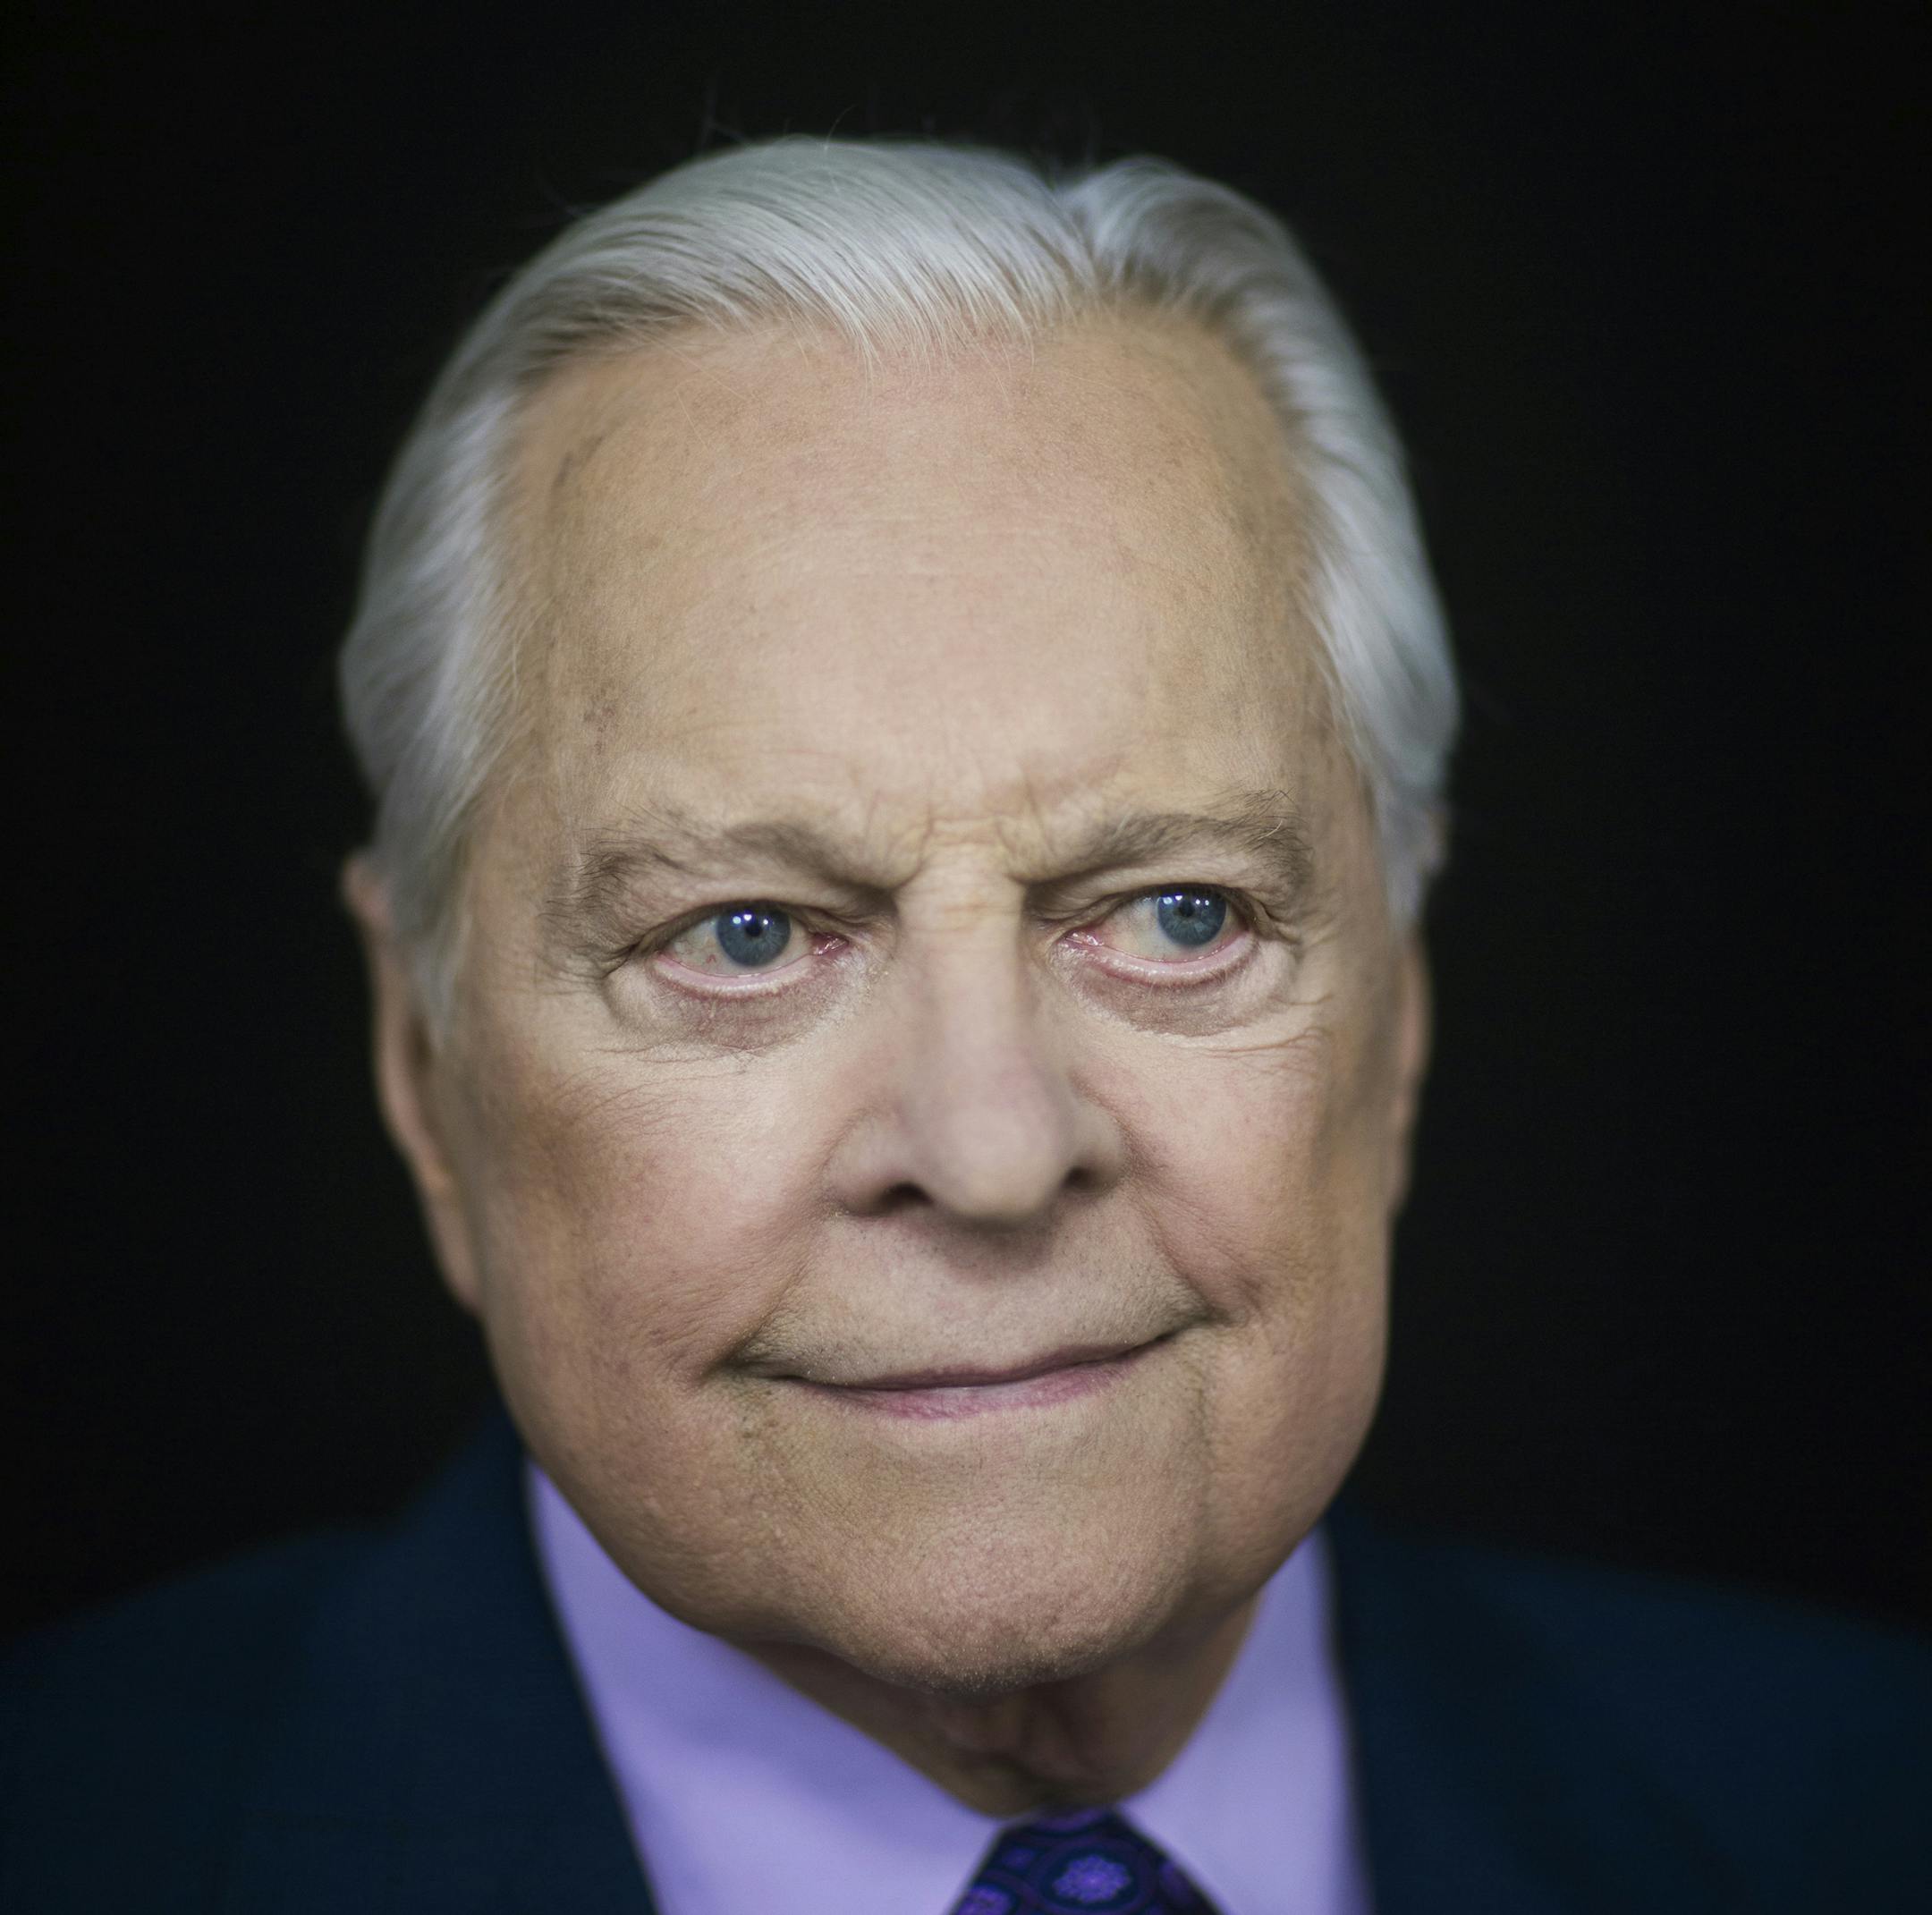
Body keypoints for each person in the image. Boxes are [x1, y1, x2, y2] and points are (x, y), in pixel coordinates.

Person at [4, 136, 1926, 1915]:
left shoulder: (1858, 1805)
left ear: (1398, 1022)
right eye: (744, 936)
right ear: (426, 1078)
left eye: (1182, 915)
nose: (996, 1150)